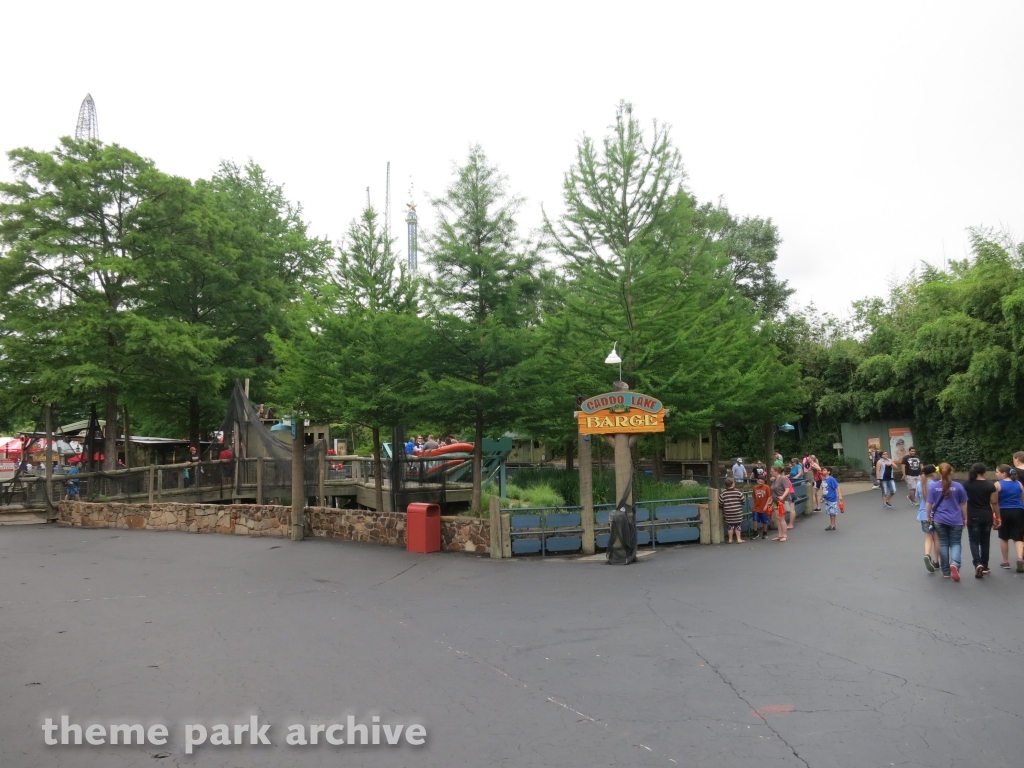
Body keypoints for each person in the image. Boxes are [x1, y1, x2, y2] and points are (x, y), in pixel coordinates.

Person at [926, 463, 968, 581]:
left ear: (939, 472)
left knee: (943, 543)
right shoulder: (958, 486)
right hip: (956, 519)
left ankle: (945, 571)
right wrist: (965, 518)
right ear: (951, 472)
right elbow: (963, 504)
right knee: (955, 543)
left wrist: (928, 516)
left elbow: (929, 503)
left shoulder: (933, 486)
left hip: (939, 519)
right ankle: (955, 563)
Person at [962, 462, 997, 578]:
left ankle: (977, 563)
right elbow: (994, 502)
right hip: (986, 515)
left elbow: (962, 501)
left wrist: (963, 516)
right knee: (985, 541)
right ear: (984, 471)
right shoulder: (990, 485)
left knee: (973, 541)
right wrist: (998, 517)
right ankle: (985, 565)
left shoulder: (966, 484)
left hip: (972, 515)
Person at [993, 464, 1024, 572]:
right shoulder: (1019, 484)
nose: (996, 474)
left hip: (1003, 511)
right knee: (1018, 537)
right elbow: (1022, 498)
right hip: (1018, 511)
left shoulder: (998, 484)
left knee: (1004, 537)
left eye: (997, 472)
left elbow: (994, 501)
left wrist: (995, 514)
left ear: (1004, 473)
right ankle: (1020, 558)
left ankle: (1005, 561)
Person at [916, 465, 939, 572]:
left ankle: (926, 555)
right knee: (937, 539)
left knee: (928, 537)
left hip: (923, 514)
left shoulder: (919, 484)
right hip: (935, 515)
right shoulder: (935, 485)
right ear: (933, 473)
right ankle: (936, 561)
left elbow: (918, 496)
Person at [720, 478, 745, 543]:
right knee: (737, 525)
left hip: (728, 513)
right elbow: (743, 500)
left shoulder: (723, 493)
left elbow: (720, 503)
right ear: (733, 484)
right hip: (737, 512)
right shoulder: (738, 492)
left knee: (730, 525)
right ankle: (738, 539)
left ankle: (730, 539)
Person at [769, 465, 790, 541]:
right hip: (775, 501)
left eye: (772, 471)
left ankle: (785, 535)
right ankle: (780, 535)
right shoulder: (775, 479)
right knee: (778, 518)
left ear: (776, 471)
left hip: (782, 501)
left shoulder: (783, 478)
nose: (771, 473)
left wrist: (782, 497)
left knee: (781, 518)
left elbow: (787, 489)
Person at [821, 466, 843, 530]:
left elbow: (837, 486)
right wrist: (822, 496)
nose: (823, 471)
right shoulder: (823, 479)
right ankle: (832, 524)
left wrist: (840, 495)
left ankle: (833, 525)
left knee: (832, 512)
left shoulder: (831, 479)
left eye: (824, 470)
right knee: (830, 512)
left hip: (832, 498)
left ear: (829, 472)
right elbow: (824, 489)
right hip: (827, 498)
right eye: (823, 470)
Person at [751, 475, 772, 540]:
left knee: (764, 520)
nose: (760, 483)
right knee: (755, 519)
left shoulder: (766, 487)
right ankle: (755, 532)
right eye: (759, 481)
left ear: (764, 482)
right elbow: (754, 496)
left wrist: (766, 505)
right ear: (757, 481)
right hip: (756, 506)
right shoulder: (755, 488)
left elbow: (769, 496)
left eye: (762, 482)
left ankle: (765, 532)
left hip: (764, 506)